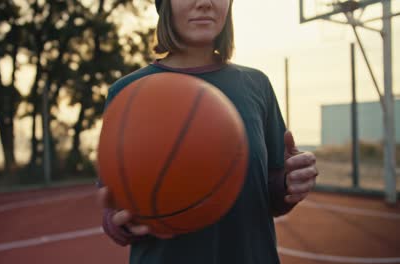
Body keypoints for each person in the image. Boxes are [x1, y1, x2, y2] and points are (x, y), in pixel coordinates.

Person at [97, 0, 318, 263]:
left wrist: (288, 183)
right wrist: (121, 222)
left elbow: (270, 194)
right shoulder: (127, 92)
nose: (204, 3)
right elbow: (113, 200)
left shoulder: (256, 85)